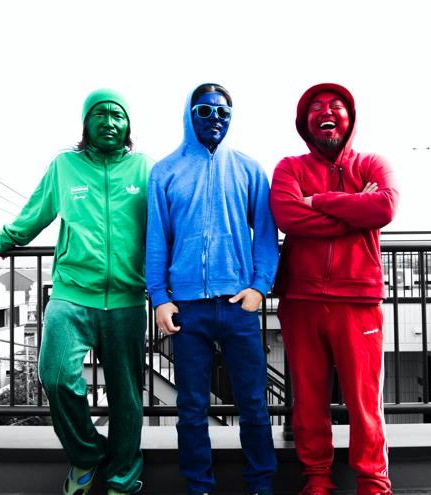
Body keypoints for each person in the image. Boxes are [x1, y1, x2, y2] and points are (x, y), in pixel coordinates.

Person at [0, 88, 153, 495]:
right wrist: (7, 240)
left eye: (118, 115)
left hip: (128, 299)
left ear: (128, 125)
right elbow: (38, 210)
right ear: (85, 123)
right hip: (71, 293)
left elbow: (167, 224)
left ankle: (122, 476)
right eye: (100, 114)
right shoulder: (65, 165)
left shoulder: (145, 167)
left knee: (127, 396)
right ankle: (87, 454)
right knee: (55, 375)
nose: (109, 122)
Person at [146, 83, 279, 495]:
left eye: (223, 111)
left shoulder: (249, 169)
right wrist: (160, 297)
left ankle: (261, 484)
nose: (215, 118)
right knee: (191, 406)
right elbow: (157, 240)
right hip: (188, 308)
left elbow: (266, 236)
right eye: (204, 111)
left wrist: (260, 287)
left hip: (239, 304)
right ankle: (199, 486)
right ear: (190, 115)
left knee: (253, 401)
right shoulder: (164, 171)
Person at [269, 83, 400, 495]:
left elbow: (384, 206)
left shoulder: (373, 163)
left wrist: (317, 200)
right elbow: (287, 215)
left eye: (335, 105)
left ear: (351, 117)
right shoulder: (289, 167)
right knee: (308, 399)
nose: (326, 112)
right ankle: (316, 480)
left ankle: (373, 483)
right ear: (304, 122)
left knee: (364, 399)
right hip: (301, 297)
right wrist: (352, 210)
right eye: (316, 107)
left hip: (358, 298)